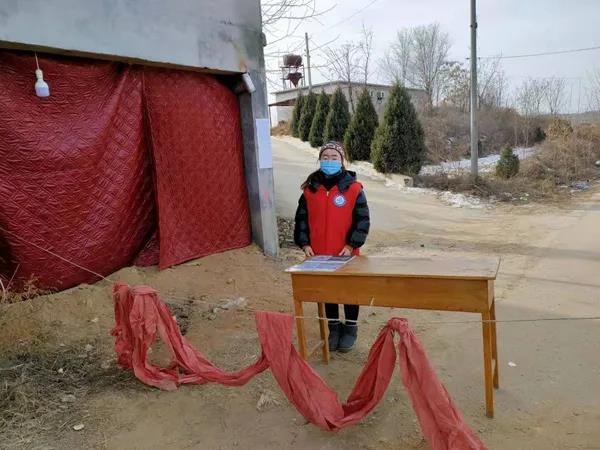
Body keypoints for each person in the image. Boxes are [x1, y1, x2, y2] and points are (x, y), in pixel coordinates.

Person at [293, 141, 370, 353]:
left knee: (349, 291)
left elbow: (362, 220)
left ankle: (351, 328)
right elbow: (301, 219)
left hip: (345, 253)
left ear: (342, 161)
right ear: (319, 160)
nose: (329, 160)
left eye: (334, 157)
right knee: (327, 292)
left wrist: (351, 244)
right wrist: (304, 243)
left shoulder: (354, 189)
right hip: (319, 254)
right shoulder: (310, 190)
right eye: (325, 157)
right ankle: (334, 328)